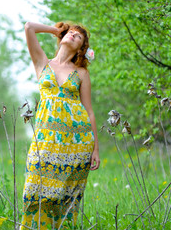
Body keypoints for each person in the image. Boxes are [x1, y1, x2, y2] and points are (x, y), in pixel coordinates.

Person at [20, 21, 100, 229]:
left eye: (79, 36)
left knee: (65, 198)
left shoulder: (81, 73)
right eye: (71, 32)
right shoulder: (42, 63)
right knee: (34, 191)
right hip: (45, 140)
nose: (73, 35)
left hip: (77, 143)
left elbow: (89, 111)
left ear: (81, 48)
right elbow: (29, 27)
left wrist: (96, 149)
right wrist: (56, 30)